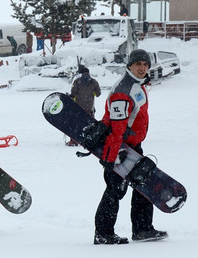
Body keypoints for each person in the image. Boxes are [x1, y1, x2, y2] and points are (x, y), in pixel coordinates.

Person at [94, 49, 167, 245]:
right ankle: (103, 233)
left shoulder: (137, 85)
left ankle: (143, 229)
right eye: (138, 64)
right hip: (120, 149)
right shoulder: (123, 90)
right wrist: (113, 155)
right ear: (130, 65)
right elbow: (117, 127)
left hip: (133, 146)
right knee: (115, 191)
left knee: (144, 185)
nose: (142, 68)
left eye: (145, 64)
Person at [67, 65, 102, 146]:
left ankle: (74, 141)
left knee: (75, 124)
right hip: (90, 108)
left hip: (78, 108)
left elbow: (73, 94)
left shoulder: (77, 81)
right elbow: (98, 94)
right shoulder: (94, 82)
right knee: (90, 125)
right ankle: (91, 140)